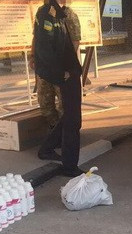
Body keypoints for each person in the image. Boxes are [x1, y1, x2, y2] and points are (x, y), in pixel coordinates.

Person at [32, 0, 85, 177]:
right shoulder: (47, 14)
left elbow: (70, 43)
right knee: (72, 120)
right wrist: (61, 71)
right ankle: (69, 166)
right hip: (64, 73)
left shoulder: (60, 13)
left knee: (69, 115)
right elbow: (44, 47)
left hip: (69, 70)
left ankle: (47, 149)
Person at [31, 0, 81, 132]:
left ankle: (64, 132)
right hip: (45, 67)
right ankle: (54, 129)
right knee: (45, 102)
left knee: (64, 104)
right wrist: (33, 56)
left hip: (61, 68)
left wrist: (68, 66)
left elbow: (75, 41)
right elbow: (37, 37)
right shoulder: (42, 12)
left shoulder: (69, 15)